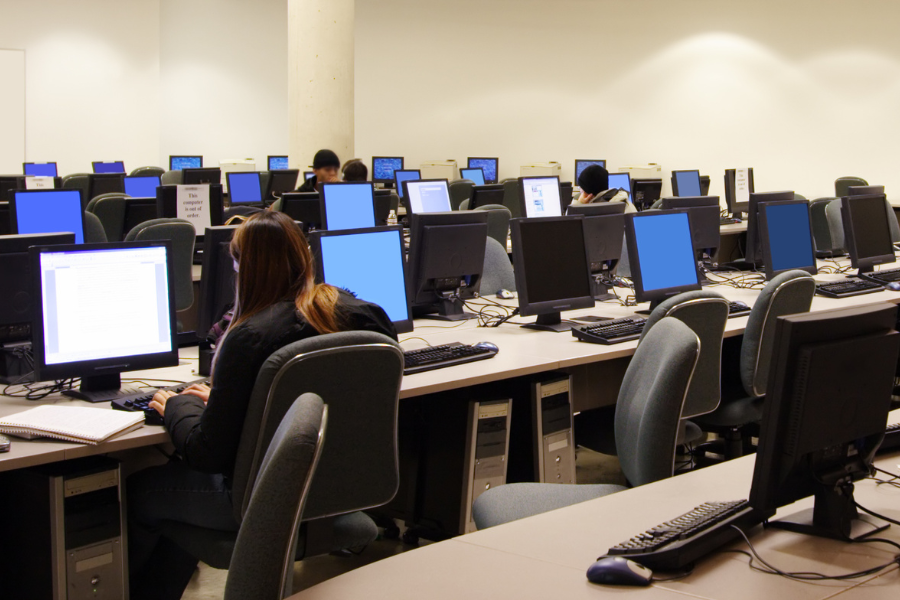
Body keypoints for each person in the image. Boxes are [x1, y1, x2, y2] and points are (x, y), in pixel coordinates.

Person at [126, 211, 396, 600]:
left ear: (243, 268)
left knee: (140, 490)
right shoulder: (363, 316)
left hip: (257, 501)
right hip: (339, 494)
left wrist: (176, 407)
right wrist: (232, 403)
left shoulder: (250, 337)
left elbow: (206, 452)